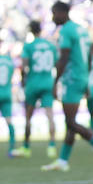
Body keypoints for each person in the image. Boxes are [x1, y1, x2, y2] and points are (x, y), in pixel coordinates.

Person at [42, 0, 93, 173]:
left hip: (72, 79)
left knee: (70, 121)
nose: (53, 18)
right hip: (82, 77)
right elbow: (90, 57)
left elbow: (64, 58)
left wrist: (55, 82)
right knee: (71, 123)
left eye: (54, 13)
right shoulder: (82, 30)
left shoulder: (66, 31)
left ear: (62, 13)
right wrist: (88, 79)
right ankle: (62, 161)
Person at [19, 21, 60, 159]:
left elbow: (24, 66)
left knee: (28, 116)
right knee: (50, 115)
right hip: (48, 82)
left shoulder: (29, 46)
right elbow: (56, 64)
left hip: (33, 83)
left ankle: (26, 146)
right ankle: (52, 146)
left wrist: (23, 80)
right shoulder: (50, 46)